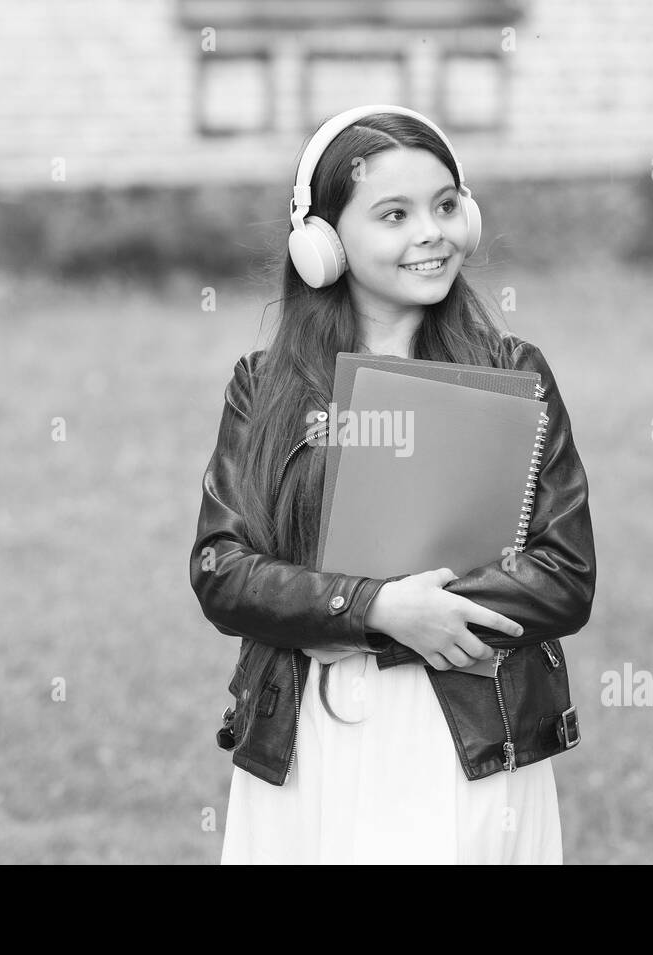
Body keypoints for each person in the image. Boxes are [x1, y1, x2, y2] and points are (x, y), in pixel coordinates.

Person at [190, 105, 596, 864]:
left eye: (445, 206)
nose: (431, 232)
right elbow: (223, 572)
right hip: (308, 742)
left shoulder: (514, 373)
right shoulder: (263, 387)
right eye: (394, 214)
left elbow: (565, 577)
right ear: (322, 241)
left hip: (469, 739)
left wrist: (429, 614)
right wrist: (378, 607)